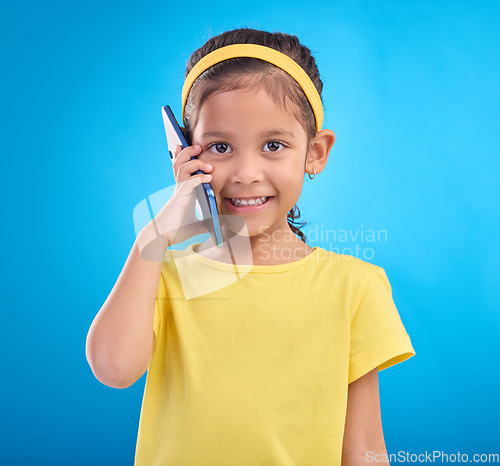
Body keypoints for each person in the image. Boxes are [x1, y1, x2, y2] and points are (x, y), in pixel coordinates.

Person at [86, 27, 416, 465]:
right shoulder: (164, 270)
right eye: (220, 146)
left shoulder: (354, 286)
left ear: (315, 153)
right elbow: (113, 369)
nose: (245, 172)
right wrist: (154, 236)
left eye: (273, 145)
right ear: (185, 154)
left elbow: (365, 448)